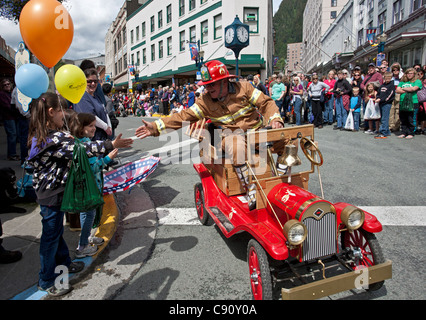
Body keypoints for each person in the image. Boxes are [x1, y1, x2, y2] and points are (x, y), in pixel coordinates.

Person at [135, 60, 284, 211]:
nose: (207, 88)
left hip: (256, 133)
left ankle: (282, 178)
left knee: (286, 139)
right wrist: (155, 127)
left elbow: (266, 103)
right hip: (231, 136)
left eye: (211, 84)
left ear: (224, 81)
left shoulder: (245, 87)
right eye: (206, 85)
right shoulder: (204, 101)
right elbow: (183, 117)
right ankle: (249, 188)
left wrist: (275, 119)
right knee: (237, 146)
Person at [26, 92, 132, 296]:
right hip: (51, 194)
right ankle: (46, 280)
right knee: (50, 236)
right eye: (60, 111)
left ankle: (65, 263)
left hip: (51, 192)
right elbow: (82, 149)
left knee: (55, 232)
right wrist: (111, 145)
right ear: (51, 112)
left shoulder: (44, 133)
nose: (63, 116)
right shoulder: (53, 138)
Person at [71, 112, 118, 258]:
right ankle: (82, 246)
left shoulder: (84, 142)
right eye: (90, 126)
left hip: (91, 187)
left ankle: (87, 238)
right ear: (80, 128)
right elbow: (93, 168)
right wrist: (108, 158)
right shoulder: (84, 145)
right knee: (87, 215)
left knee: (89, 216)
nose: (94, 129)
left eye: (94, 126)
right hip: (88, 188)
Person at [73, 68, 112, 141]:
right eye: (89, 81)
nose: (93, 84)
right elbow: (90, 116)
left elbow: (105, 111)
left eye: (95, 81)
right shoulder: (82, 97)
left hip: (103, 137)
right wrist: (106, 127)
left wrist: (109, 126)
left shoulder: (96, 96)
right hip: (93, 139)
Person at [396, 68, 422, 139]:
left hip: (413, 102)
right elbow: (397, 90)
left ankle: (411, 132)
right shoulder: (402, 82)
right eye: (408, 73)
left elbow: (413, 89)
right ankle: (404, 132)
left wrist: (403, 89)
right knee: (403, 118)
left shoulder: (417, 81)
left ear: (414, 74)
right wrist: (408, 89)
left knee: (411, 118)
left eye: (411, 73)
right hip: (402, 102)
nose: (409, 75)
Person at [0, 79, 20, 161]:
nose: (7, 85)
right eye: (5, 85)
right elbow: (7, 106)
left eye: (8, 84)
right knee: (12, 135)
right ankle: (11, 154)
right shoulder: (2, 94)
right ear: (2, 87)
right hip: (8, 117)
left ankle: (13, 153)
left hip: (13, 117)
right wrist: (15, 109)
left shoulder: (11, 93)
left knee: (14, 135)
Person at [375, 72, 395, 139]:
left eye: (389, 78)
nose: (387, 79)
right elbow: (379, 93)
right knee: (382, 117)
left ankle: (383, 132)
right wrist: (377, 98)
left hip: (387, 104)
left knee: (384, 118)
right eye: (386, 78)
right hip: (381, 103)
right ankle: (387, 131)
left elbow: (390, 95)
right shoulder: (382, 85)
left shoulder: (391, 85)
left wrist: (381, 99)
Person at [390, 63, 403, 132]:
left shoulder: (402, 77)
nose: (395, 71)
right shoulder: (391, 77)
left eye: (397, 70)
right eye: (394, 70)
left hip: (398, 94)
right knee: (391, 110)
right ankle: (391, 125)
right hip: (391, 94)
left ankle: (396, 126)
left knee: (397, 110)